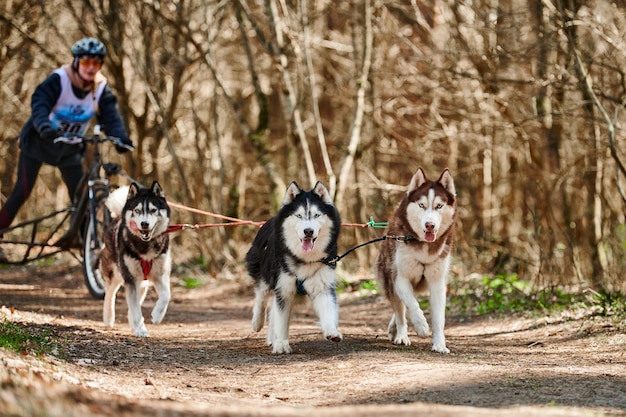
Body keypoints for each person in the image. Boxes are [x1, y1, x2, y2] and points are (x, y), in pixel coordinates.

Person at [0, 37, 132, 259]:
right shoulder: (59, 80)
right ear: (76, 62)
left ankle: (87, 245)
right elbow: (39, 103)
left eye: (96, 64)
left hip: (69, 149)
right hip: (39, 143)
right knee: (21, 192)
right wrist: (43, 126)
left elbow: (112, 118)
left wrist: (121, 139)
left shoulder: (101, 89)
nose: (91, 68)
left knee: (81, 196)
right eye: (86, 62)